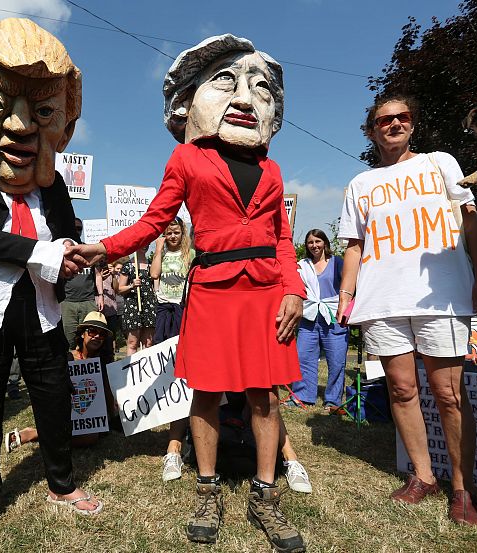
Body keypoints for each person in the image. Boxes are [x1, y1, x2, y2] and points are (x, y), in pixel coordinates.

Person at [72, 35, 306, 551]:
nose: (245, 99)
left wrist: (295, 288)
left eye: (259, 89)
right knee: (206, 391)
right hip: (213, 290)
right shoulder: (185, 158)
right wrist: (104, 250)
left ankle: (266, 495)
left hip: (267, 291)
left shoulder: (272, 168)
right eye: (227, 82)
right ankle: (207, 487)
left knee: (264, 395)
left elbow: (283, 239)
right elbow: (156, 220)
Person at [0, 18, 102, 553]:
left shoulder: (51, 189)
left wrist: (71, 253)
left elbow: (69, 233)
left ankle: (61, 483)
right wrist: (42, 253)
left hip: (41, 311)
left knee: (54, 399)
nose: (19, 127)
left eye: (41, 112)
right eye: (2, 106)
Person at [337, 95, 477, 526]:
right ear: (371, 130)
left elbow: (470, 221)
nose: (393, 124)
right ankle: (422, 475)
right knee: (402, 390)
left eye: (402, 117)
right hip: (382, 298)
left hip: (440, 295)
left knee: (448, 394)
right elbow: (353, 246)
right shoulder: (360, 184)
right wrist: (346, 295)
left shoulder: (439, 162)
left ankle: (464, 491)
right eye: (383, 120)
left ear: (413, 123)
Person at [5, 311, 115, 450]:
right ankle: (33, 433)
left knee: (91, 437)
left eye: (102, 334)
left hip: (89, 416)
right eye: (92, 331)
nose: (97, 336)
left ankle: (42, 435)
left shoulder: (102, 362)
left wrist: (112, 417)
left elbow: (107, 391)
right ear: (82, 334)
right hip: (65, 411)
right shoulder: (67, 358)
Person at [149, 216, 193, 481]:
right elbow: (154, 274)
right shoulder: (163, 253)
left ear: (182, 233)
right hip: (163, 307)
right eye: (169, 233)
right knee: (161, 350)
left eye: (176, 232)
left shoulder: (190, 253)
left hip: (182, 308)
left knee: (180, 353)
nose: (173, 236)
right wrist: (157, 249)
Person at [285, 229, 348, 413]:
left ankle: (333, 401)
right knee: (303, 356)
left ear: (325, 243)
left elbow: (349, 284)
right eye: (310, 242)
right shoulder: (302, 265)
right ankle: (303, 396)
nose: (314, 245)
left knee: (336, 361)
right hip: (309, 318)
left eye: (318, 241)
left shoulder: (336, 262)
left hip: (333, 318)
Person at [61, 218, 103, 346]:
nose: (77, 231)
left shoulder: (88, 250)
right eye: (74, 228)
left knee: (90, 340)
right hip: (68, 303)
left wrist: (100, 295)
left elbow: (97, 275)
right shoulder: (60, 251)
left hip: (88, 302)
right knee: (70, 341)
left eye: (79, 228)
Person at [118, 245, 156, 354]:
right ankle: (131, 370)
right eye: (143, 243)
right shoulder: (128, 266)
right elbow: (120, 289)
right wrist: (131, 285)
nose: (145, 246)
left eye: (148, 243)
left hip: (149, 305)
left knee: (148, 343)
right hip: (132, 305)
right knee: (132, 342)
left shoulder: (150, 264)